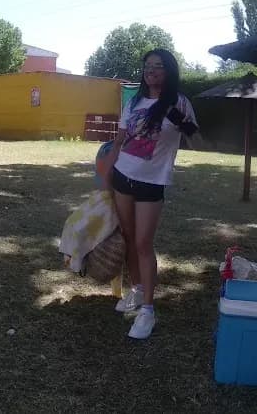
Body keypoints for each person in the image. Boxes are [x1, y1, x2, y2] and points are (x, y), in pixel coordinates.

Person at [103, 48, 200, 340]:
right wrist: (107, 174)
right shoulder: (134, 101)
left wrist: (179, 120)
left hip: (151, 183)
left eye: (158, 66)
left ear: (168, 71)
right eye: (147, 66)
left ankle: (148, 310)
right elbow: (119, 140)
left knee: (144, 242)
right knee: (130, 238)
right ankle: (136, 290)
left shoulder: (180, 102)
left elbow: (196, 139)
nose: (151, 70)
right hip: (122, 176)